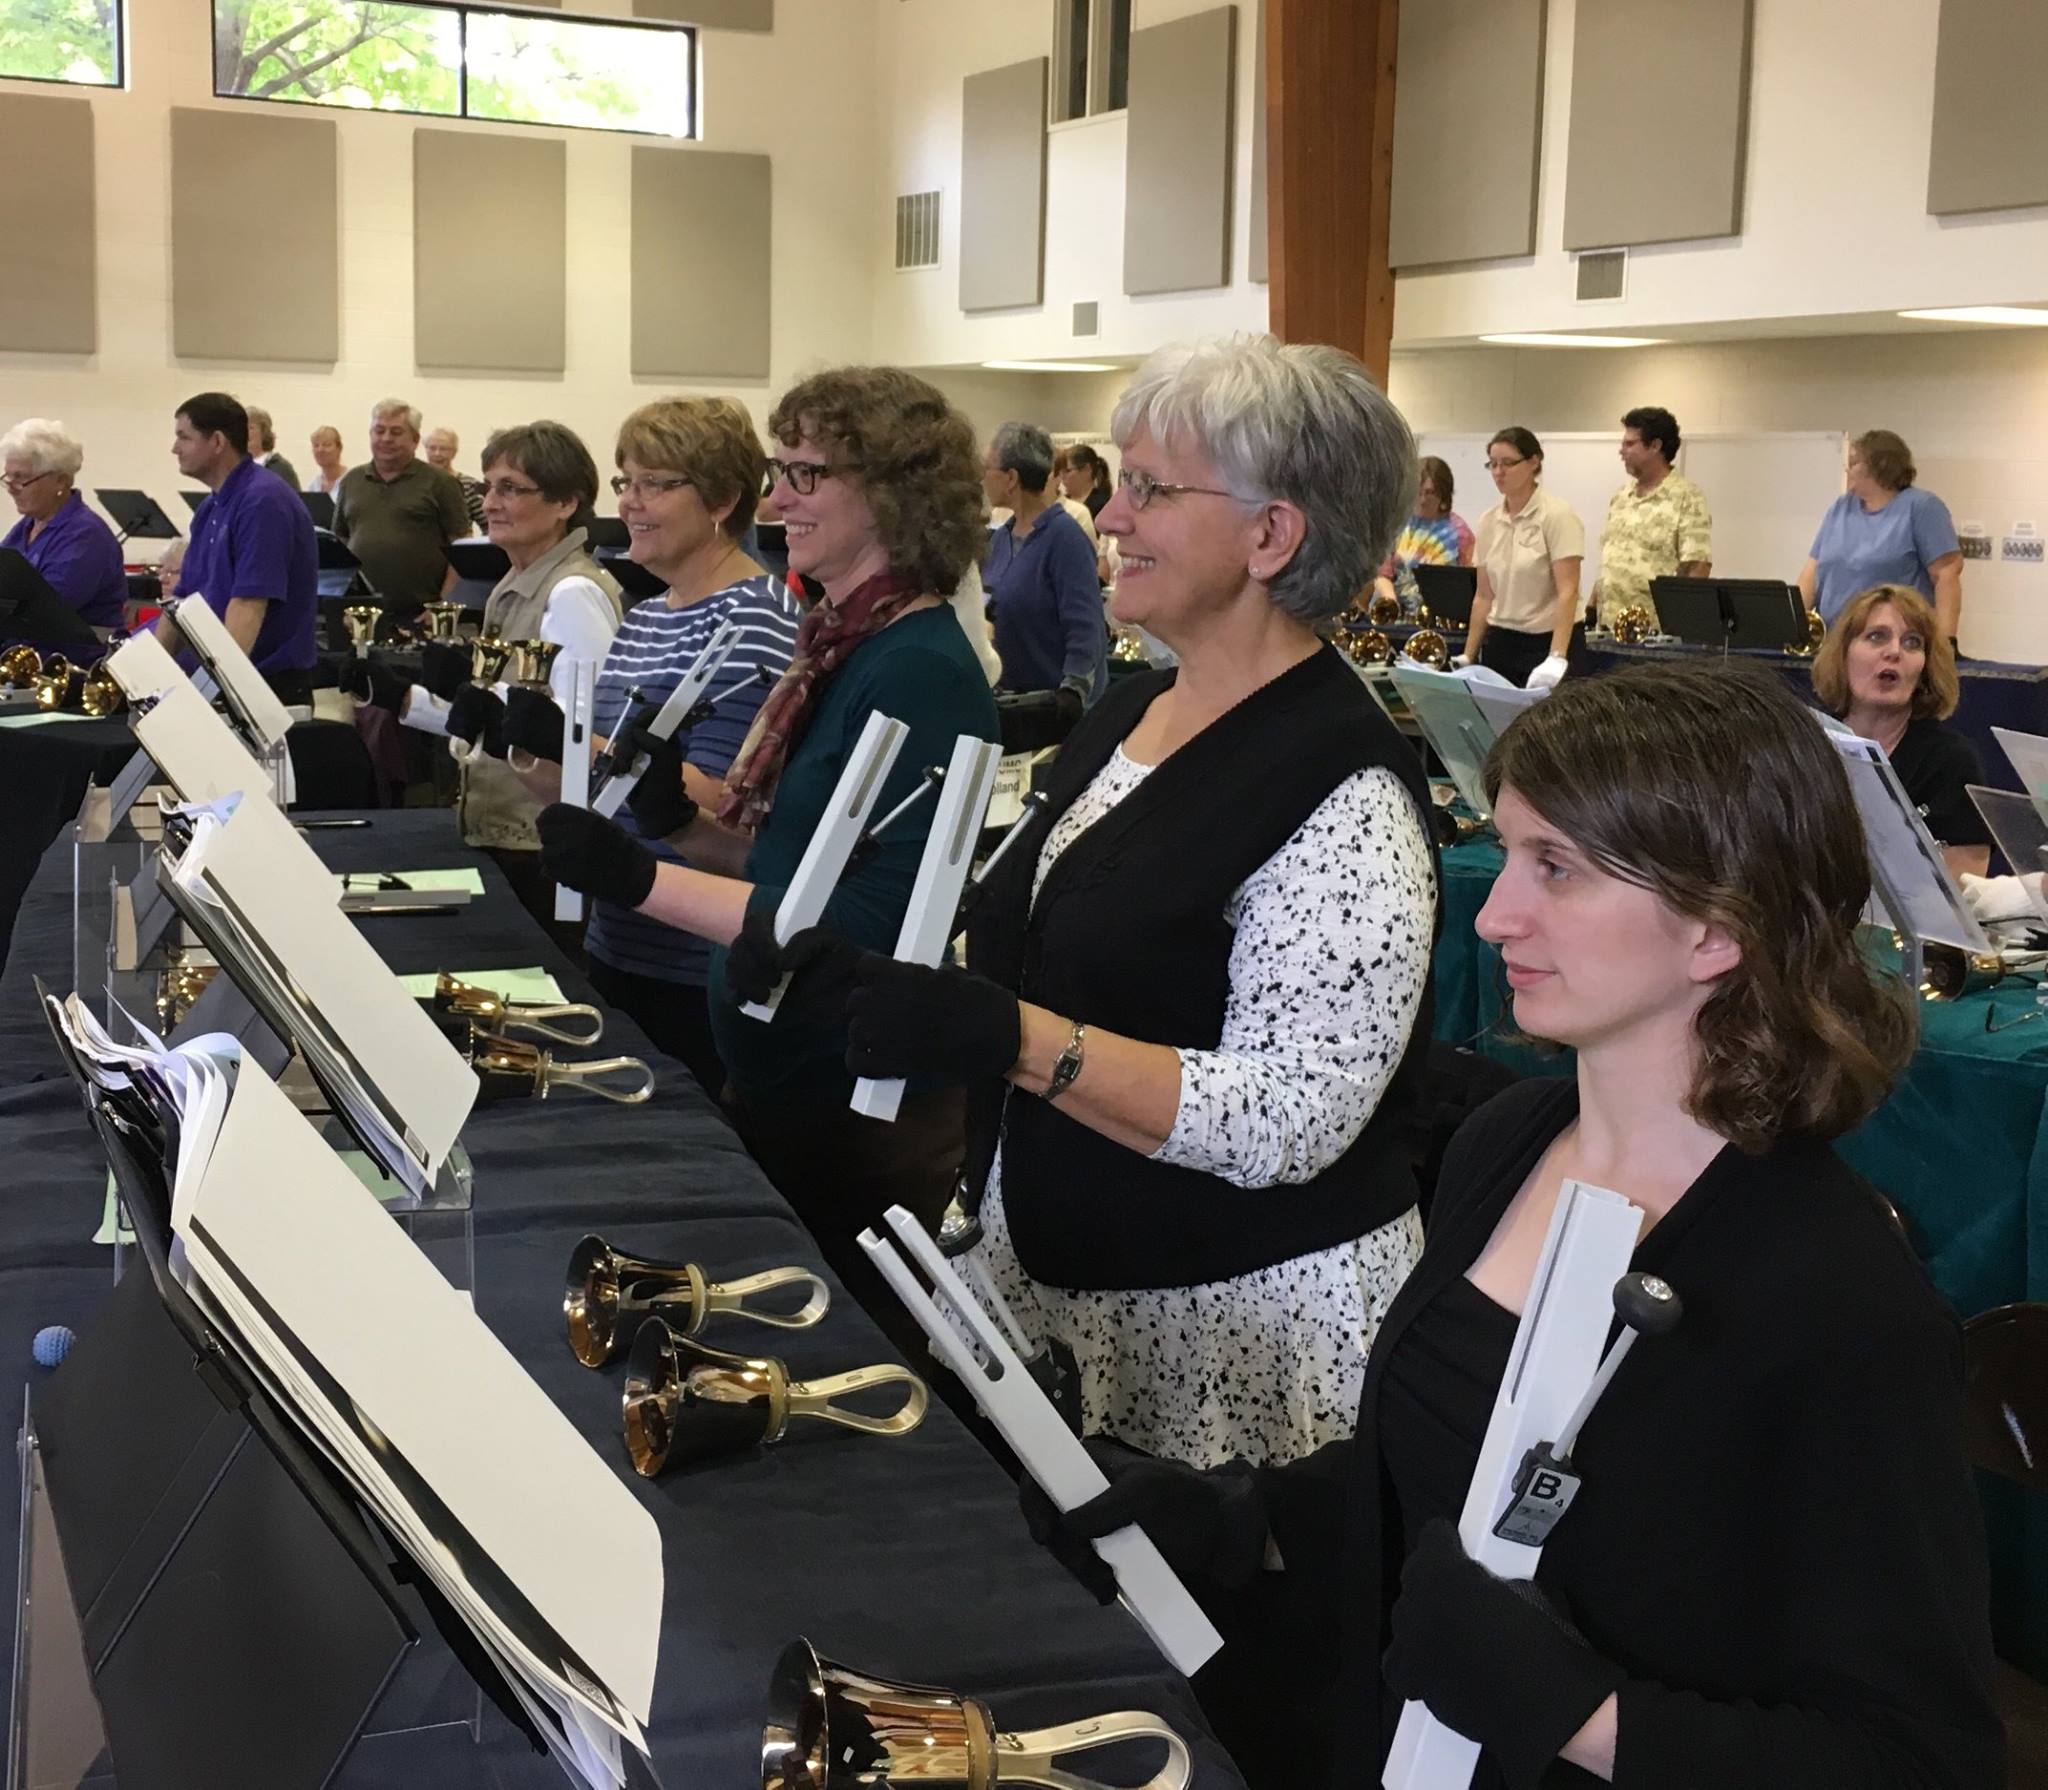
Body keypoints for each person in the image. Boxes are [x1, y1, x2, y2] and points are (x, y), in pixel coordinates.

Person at [1030, 659, 2003, 1789]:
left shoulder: (1837, 1299)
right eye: (1506, 852)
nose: (1493, 912)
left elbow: (1919, 1755)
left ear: (1715, 927)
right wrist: (1242, 1518)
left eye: (1556, 866)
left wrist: (1581, 1714)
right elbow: (1458, 1474)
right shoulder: (1504, 1145)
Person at [772, 337, 1443, 1469]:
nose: (1110, 518)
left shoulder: (1344, 788)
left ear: (1270, 535)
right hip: (1071, 1283)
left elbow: (1289, 1114)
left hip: (1231, 1337)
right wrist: (857, 970)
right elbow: (1043, 935)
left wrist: (1015, 1039)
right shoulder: (1133, 707)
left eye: (1146, 489)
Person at [534, 367, 1000, 1308]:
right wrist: (680, 827)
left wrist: (636, 878)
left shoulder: (919, 672)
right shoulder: (841, 646)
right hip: (785, 1085)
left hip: (848, 1116)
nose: (777, 498)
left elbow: (860, 923)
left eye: (805, 474)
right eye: (778, 470)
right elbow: (790, 869)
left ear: (894, 492)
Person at [499, 400, 799, 1093]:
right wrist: (523, 746)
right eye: (625, 481)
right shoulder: (644, 620)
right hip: (619, 937)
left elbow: (727, 809)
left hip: (694, 958)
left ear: (723, 498)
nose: (630, 503)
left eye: (655, 484)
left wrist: (591, 743)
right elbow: (592, 797)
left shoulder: (757, 620)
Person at [344, 420, 623, 932]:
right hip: (505, 831)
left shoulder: (572, 593)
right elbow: (487, 725)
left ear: (565, 503)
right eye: (489, 485)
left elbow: (577, 736)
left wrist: (476, 695)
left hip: (540, 842)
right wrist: (401, 698)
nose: (490, 502)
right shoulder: (514, 581)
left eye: (511, 489)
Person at [1812, 582, 1989, 880]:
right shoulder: (1808, 743)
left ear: (1925, 667)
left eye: (1912, 643)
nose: (1894, 651)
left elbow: (1961, 893)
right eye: (1876, 637)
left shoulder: (1952, 762)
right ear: (1843, 654)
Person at [157, 392, 318, 702]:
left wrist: (214, 692)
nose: (174, 448)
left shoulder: (262, 502)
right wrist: (150, 675)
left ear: (217, 442)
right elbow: (181, 601)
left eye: (184, 437)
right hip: (224, 679)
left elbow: (248, 606)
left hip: (261, 689)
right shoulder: (211, 507)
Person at [982, 420, 1107, 712]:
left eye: (987, 468)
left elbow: (1086, 629)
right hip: (1011, 704)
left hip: (1051, 713)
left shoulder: (1065, 539)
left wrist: (1072, 695)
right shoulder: (1001, 540)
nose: (982, 478)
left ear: (1011, 478)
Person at [1799, 429, 1962, 641]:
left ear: (1880, 466)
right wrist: (1793, 626)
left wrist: (1946, 643)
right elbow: (1811, 572)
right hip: (1833, 644)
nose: (1847, 470)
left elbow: (1946, 575)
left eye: (1853, 462)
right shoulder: (1840, 508)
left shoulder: (1922, 507)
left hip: (1893, 645)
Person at [1463, 427, 1584, 690]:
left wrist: (1557, 656)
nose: (1498, 472)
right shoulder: (1488, 520)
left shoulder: (1557, 515)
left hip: (1547, 639)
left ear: (1533, 462)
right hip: (1502, 641)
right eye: (1493, 464)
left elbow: (1568, 590)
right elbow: (1484, 595)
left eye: (1507, 463)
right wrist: (1468, 654)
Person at [332, 400, 472, 612]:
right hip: (359, 612)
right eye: (379, 431)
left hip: (421, 612)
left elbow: (461, 547)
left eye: (396, 432)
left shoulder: (441, 483)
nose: (386, 439)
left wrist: (443, 605)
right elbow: (340, 541)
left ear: (415, 439)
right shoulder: (351, 481)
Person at [0, 417, 125, 636]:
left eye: (21, 478)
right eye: (8, 477)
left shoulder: (86, 535)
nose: (11, 488)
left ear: (61, 481)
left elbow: (43, 611)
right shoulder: (26, 527)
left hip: (72, 662)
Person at [1593, 406, 1711, 628]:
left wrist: (1679, 625)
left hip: (1655, 633)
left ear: (1655, 445)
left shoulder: (1686, 496)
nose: (1621, 451)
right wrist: (1592, 606)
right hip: (1608, 628)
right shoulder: (1621, 497)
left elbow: (1697, 568)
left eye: (1630, 444)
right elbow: (1608, 561)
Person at [1373, 454, 1474, 617]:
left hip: (1441, 618)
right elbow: (1382, 573)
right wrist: (1391, 602)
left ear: (1443, 495)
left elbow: (1469, 584)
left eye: (1430, 493)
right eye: (1417, 493)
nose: (1422, 500)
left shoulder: (1460, 533)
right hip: (1397, 616)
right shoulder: (1396, 524)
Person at [426, 425, 487, 532]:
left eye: (443, 449)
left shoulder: (470, 485)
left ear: (454, 452)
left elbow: (488, 524)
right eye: (432, 448)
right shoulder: (414, 483)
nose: (437, 453)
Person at [243, 406, 300, 493]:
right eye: (242, 428)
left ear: (264, 432)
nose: (245, 432)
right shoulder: (238, 466)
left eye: (251, 428)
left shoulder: (280, 468)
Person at [1056, 442, 1114, 520]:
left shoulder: (1104, 506)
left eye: (1067, 471)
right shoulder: (1060, 503)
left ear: (1087, 469)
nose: (1062, 476)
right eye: (1060, 471)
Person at [307, 424, 347, 494]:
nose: (320, 450)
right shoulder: (313, 486)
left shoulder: (351, 481)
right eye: (316, 445)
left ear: (339, 448)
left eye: (326, 445)